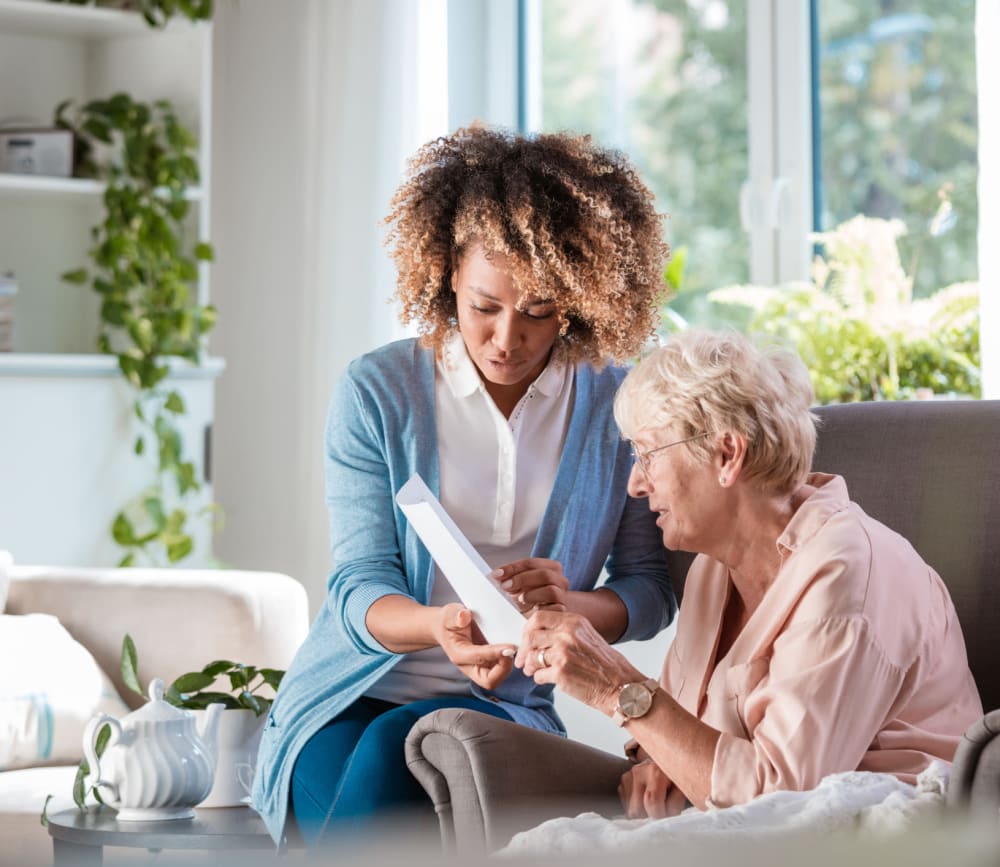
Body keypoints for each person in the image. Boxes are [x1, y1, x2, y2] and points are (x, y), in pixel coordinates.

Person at [252, 125, 677, 847]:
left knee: (401, 748)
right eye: (485, 306)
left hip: (504, 704)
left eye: (538, 312)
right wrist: (439, 628)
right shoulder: (378, 393)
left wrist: (566, 604)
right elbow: (358, 586)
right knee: (386, 747)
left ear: (574, 300)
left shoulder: (616, 405)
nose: (507, 337)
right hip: (347, 696)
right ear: (449, 272)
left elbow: (649, 589)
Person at [515, 328, 983, 819]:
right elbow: (680, 729)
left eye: (648, 454)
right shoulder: (711, 572)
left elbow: (783, 804)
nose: (634, 483)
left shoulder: (848, 575)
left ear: (727, 454)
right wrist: (661, 761)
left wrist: (616, 687)